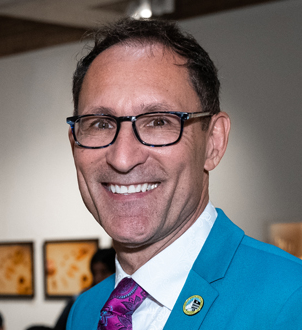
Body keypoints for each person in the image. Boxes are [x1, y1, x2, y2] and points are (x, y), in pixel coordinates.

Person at [66, 18, 302, 329]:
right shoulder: (86, 311)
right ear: (74, 144)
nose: (122, 158)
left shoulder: (289, 298)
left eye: (159, 121)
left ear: (213, 143)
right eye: (100, 124)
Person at [53, 248, 115, 330]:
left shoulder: (123, 298)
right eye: (94, 273)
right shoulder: (83, 298)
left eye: (104, 272)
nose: (98, 278)